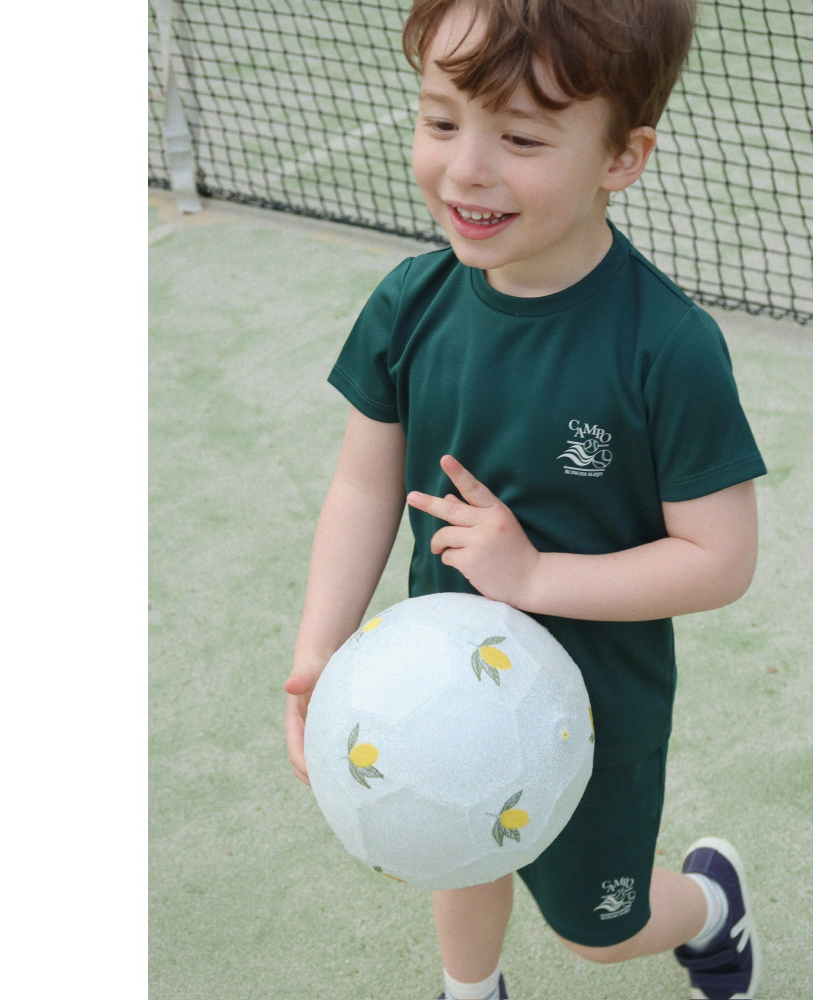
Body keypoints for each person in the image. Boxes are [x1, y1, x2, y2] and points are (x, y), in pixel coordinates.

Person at [285, 1, 766, 997]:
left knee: (599, 929)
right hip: (439, 682)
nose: (466, 167)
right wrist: (320, 654)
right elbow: (364, 484)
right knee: (457, 848)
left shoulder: (667, 347)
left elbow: (720, 559)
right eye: (441, 120)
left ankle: (711, 901)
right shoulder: (407, 305)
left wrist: (534, 574)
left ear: (622, 157)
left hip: (597, 706)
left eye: (521, 138)